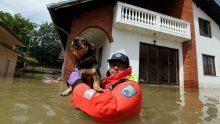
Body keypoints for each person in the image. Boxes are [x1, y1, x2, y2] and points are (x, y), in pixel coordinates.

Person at [69, 53, 142, 122]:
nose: (115, 67)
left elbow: (108, 111)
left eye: (120, 65)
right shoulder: (104, 82)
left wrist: (77, 84)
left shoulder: (132, 86)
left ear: (127, 68)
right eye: (113, 64)